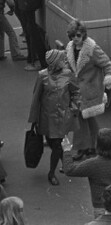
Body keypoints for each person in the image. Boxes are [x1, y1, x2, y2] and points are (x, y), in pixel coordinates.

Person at [62, 19, 111, 155]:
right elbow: (68, 65)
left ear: (83, 34)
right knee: (86, 119)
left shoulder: (92, 48)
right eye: (73, 36)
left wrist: (109, 77)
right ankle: (97, 145)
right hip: (76, 89)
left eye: (78, 35)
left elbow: (107, 63)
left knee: (81, 118)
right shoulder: (69, 47)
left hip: (90, 90)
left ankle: (83, 147)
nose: (75, 39)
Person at [28, 49, 79, 186]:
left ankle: (51, 173)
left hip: (63, 117)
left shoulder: (68, 74)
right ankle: (65, 164)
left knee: (56, 145)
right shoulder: (42, 75)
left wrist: (75, 105)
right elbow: (36, 98)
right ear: (56, 63)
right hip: (47, 118)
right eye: (62, 59)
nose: (65, 61)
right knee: (52, 143)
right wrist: (34, 119)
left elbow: (76, 91)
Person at [62, 128, 111, 216]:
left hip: (100, 206)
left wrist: (66, 151)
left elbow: (69, 169)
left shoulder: (92, 164)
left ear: (98, 145)